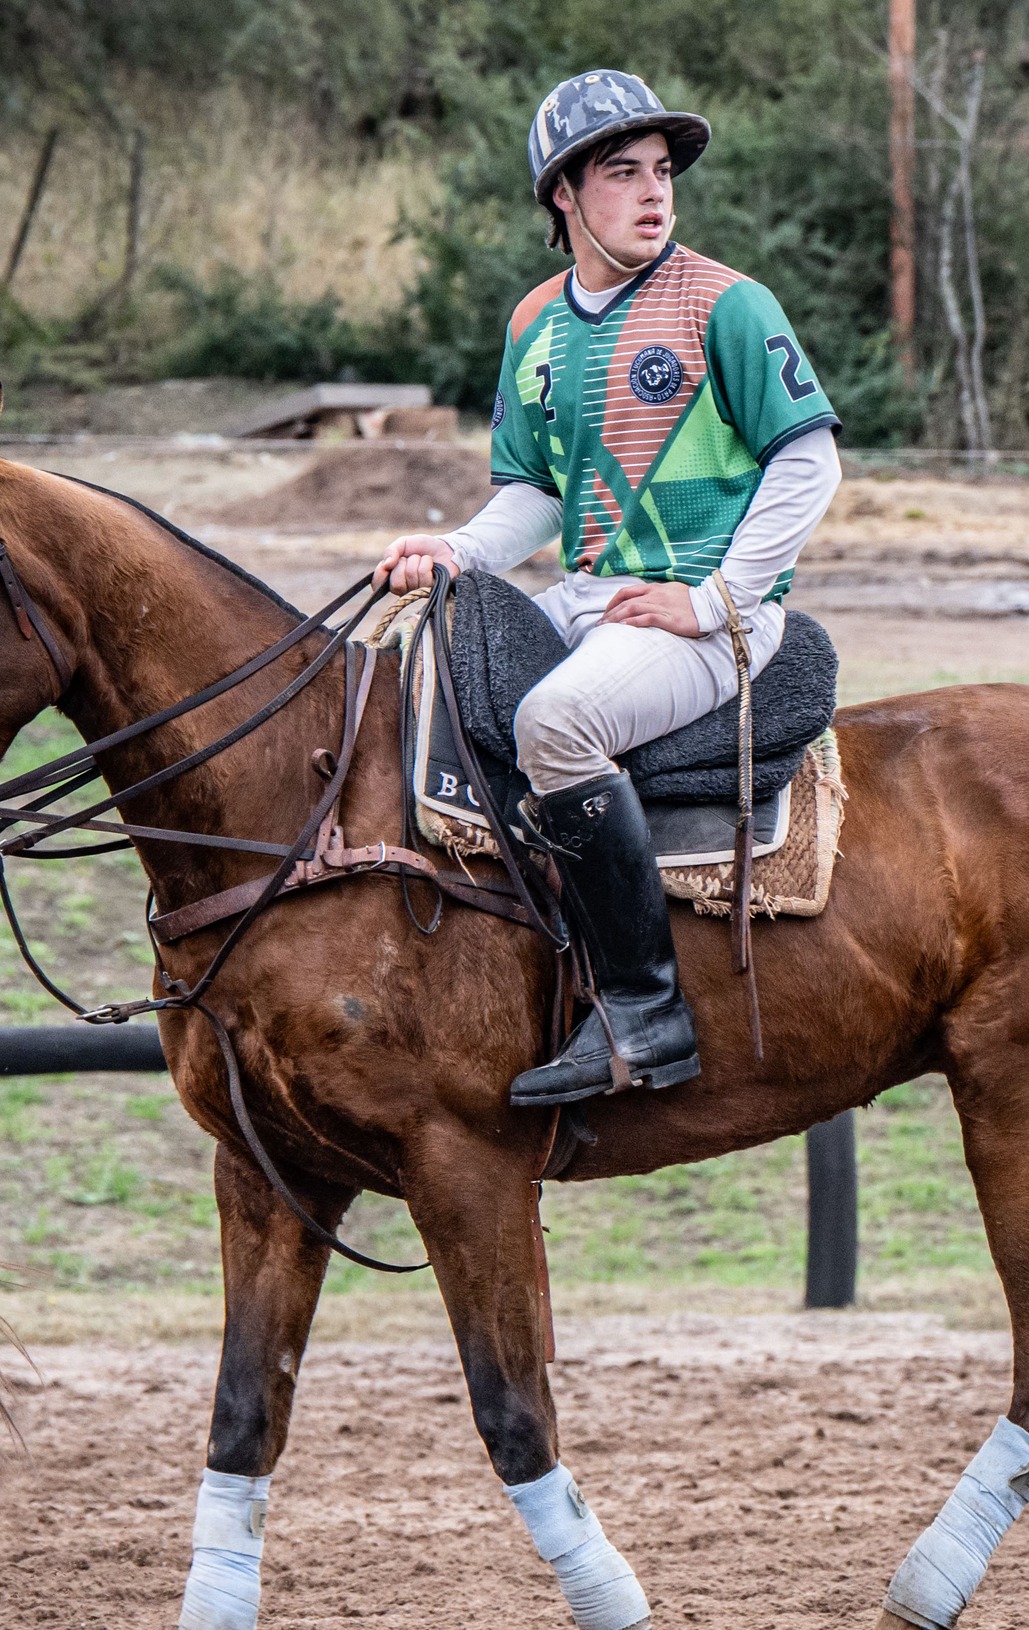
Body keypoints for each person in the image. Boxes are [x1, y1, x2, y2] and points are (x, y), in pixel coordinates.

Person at [375, 69, 843, 1107]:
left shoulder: (728, 304)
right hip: (592, 599)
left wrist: (715, 599)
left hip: (712, 617)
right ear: (562, 195)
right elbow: (532, 495)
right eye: (622, 172)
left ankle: (642, 1015)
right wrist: (452, 549)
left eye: (661, 171)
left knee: (553, 722)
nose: (652, 192)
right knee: (424, 691)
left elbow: (808, 464)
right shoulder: (532, 323)